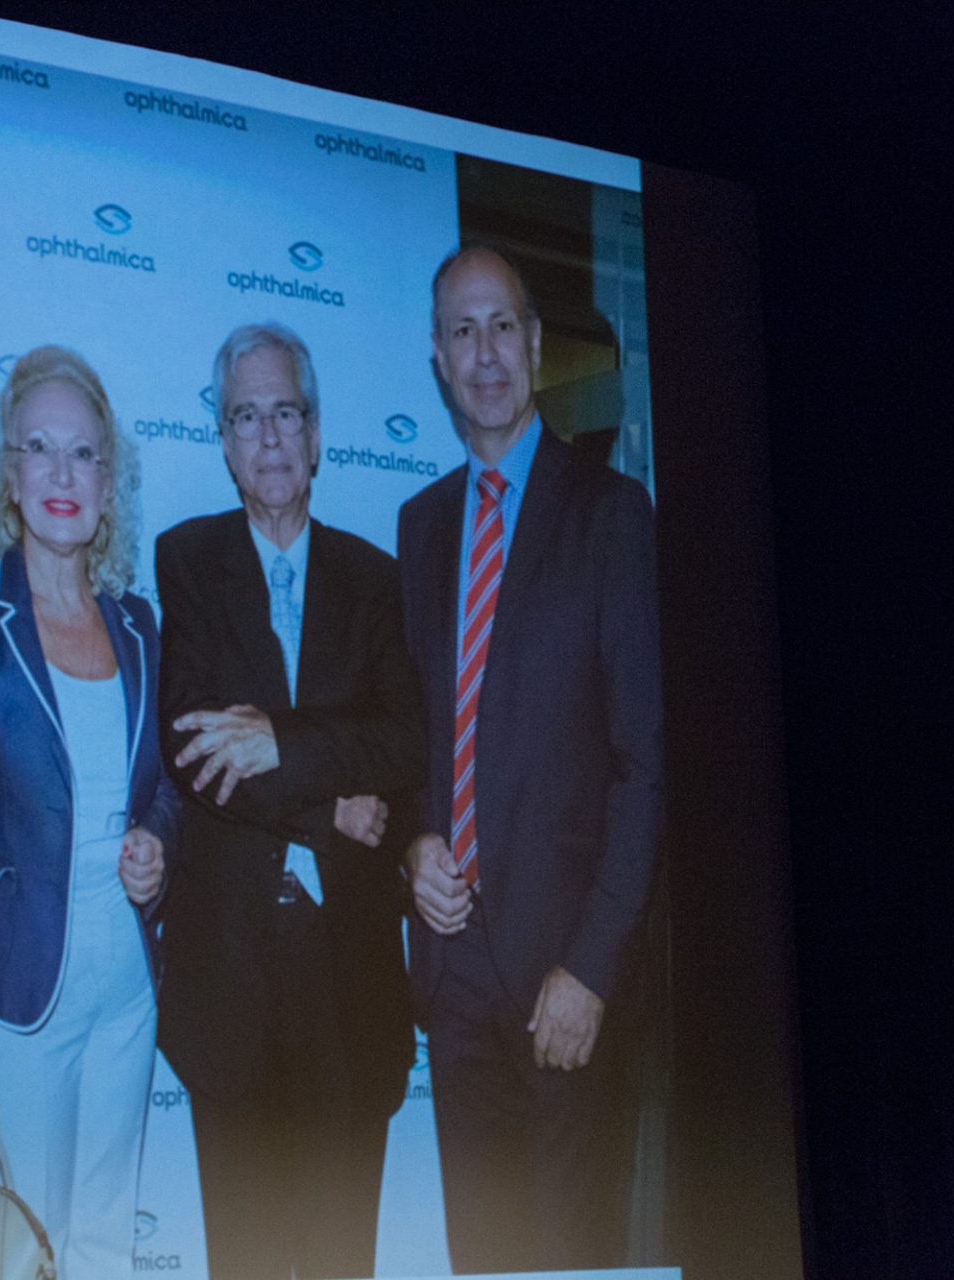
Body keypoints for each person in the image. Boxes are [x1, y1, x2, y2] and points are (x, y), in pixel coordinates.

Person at [397, 245, 663, 1272]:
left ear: (538, 344)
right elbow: (415, 741)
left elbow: (647, 764)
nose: (485, 353)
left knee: (571, 1257)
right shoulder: (421, 528)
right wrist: (414, 843)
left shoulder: (612, 515)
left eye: (501, 325)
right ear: (437, 357)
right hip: (455, 979)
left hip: (567, 987)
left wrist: (592, 969)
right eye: (462, 332)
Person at [154, 322, 425, 1280]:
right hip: (228, 985)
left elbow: (402, 740)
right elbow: (192, 748)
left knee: (343, 1259)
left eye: (285, 413)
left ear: (315, 435)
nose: (268, 437)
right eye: (245, 417)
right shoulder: (187, 559)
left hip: (350, 984)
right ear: (224, 442)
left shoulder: (375, 577)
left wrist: (280, 742)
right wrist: (326, 808)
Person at [0, 346, 178, 1277]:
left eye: (84, 454)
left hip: (128, 990)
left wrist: (157, 842)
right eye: (40, 449)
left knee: (104, 1242)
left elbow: (160, 789)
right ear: (10, 472)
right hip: (17, 997)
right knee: (20, 1251)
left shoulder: (138, 624)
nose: (63, 475)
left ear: (109, 481)